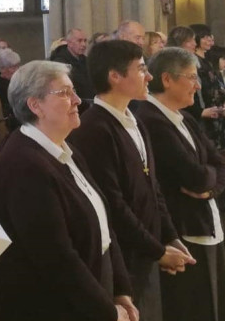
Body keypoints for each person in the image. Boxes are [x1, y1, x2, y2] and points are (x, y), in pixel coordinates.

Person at [0, 60, 138, 321]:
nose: (78, 100)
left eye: (74, 91)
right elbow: (56, 258)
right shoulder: (24, 165)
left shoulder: (65, 150)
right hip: (58, 306)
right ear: (35, 105)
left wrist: (121, 290)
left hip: (94, 286)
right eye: (65, 93)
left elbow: (103, 221)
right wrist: (107, 312)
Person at [68, 40, 191, 320]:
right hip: (125, 259)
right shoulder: (95, 129)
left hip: (146, 252)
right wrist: (157, 249)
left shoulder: (134, 120)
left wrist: (169, 235)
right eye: (141, 69)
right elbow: (113, 203)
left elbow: (152, 186)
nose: (149, 76)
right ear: (115, 76)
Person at [137, 47, 225, 321]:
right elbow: (195, 177)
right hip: (184, 231)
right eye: (191, 77)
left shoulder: (184, 117)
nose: (197, 85)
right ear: (167, 79)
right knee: (193, 309)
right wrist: (209, 179)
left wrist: (211, 187)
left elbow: (217, 165)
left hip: (207, 223)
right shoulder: (151, 120)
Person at [169, 25, 222, 127]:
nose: (194, 43)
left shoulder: (205, 62)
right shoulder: (176, 62)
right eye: (191, 41)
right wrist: (200, 111)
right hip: (188, 114)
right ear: (180, 42)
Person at [190, 24, 225, 150]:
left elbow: (215, 85)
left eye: (210, 37)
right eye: (205, 37)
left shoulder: (208, 61)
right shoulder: (193, 61)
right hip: (203, 114)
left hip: (215, 113)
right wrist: (201, 111)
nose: (210, 40)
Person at [51, 28, 95, 99]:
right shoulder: (60, 63)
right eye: (79, 41)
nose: (83, 44)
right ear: (69, 43)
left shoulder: (86, 60)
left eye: (85, 41)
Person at [0, 48, 21, 131]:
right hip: (7, 125)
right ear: (2, 68)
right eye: (13, 67)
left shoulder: (19, 80)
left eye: (18, 65)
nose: (17, 69)